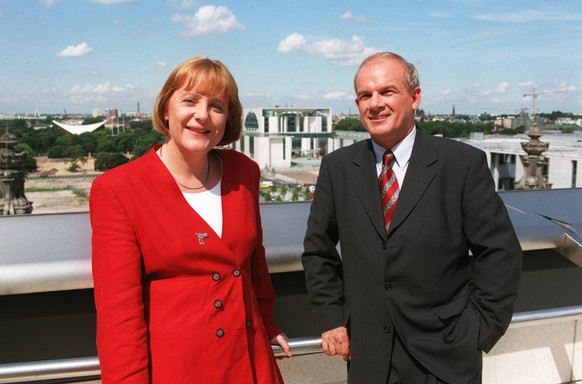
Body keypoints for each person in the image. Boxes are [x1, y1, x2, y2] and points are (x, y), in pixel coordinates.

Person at [301, 52, 522, 383]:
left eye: (387, 92)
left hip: (444, 358)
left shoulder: (461, 165)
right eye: (365, 95)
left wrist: (476, 331)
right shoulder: (337, 167)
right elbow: (318, 250)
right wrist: (332, 319)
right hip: (368, 357)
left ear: (415, 97)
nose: (375, 104)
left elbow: (501, 253)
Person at [90, 57, 291, 384]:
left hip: (250, 362)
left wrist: (267, 323)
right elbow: (119, 316)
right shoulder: (118, 189)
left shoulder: (244, 172)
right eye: (189, 100)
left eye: (217, 106)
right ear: (166, 109)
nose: (202, 115)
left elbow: (254, 264)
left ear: (228, 119)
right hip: (179, 369)